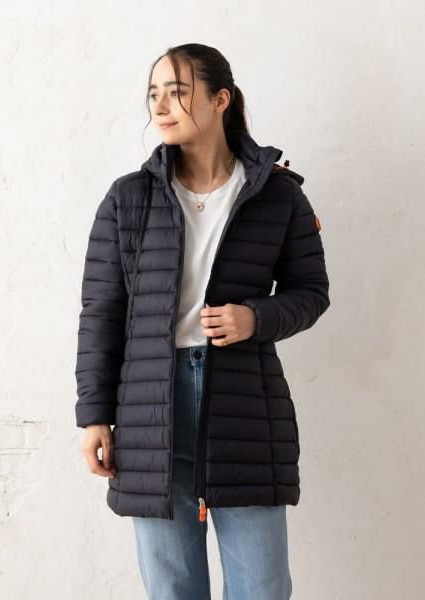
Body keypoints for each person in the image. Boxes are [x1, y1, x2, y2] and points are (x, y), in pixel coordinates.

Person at [75, 43, 330, 600]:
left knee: (262, 588)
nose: (161, 106)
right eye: (154, 94)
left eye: (178, 92)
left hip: (244, 402)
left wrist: (255, 317)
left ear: (221, 100)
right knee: (172, 588)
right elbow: (102, 312)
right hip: (149, 405)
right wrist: (94, 415)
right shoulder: (128, 199)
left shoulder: (277, 195)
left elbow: (311, 292)